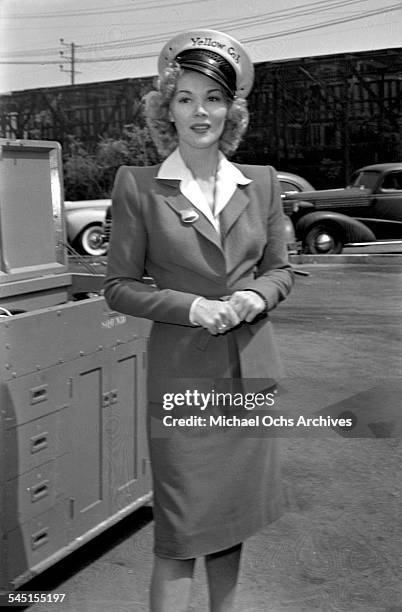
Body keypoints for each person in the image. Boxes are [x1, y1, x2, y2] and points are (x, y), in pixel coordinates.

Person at [104, 29, 294, 612]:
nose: (199, 111)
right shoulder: (137, 186)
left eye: (213, 98)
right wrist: (188, 306)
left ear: (231, 110)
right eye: (184, 98)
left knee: (231, 524)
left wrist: (256, 298)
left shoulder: (260, 183)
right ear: (168, 109)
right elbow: (118, 287)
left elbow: (281, 271)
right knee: (181, 533)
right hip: (182, 382)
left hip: (249, 375)